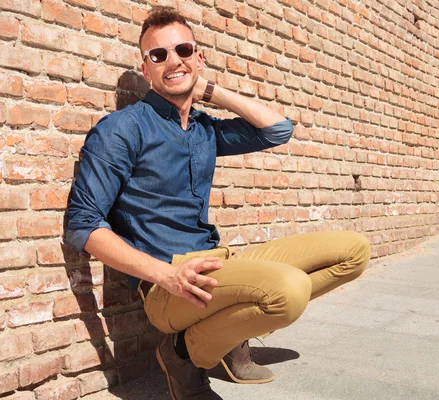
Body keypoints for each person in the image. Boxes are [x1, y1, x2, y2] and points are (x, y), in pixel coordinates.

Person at [66, 6, 371, 400]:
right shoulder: (123, 130)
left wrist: (210, 91)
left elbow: (278, 130)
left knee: (354, 251)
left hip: (217, 263)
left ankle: (225, 333)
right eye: (158, 55)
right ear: (146, 70)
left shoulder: (204, 129)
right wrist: (165, 275)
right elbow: (83, 225)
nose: (172, 61)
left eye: (183, 50)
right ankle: (181, 353)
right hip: (168, 286)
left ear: (198, 57)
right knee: (289, 291)